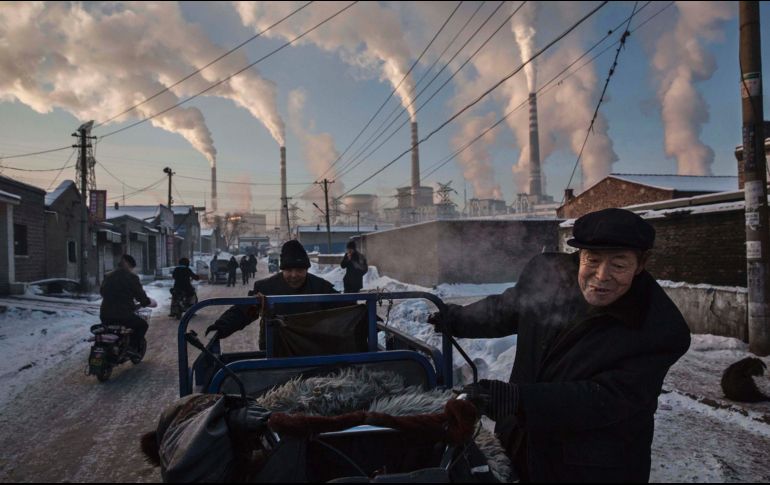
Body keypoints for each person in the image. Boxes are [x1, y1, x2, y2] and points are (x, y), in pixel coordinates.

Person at [431, 208, 691, 482]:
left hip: (589, 467)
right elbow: (507, 309)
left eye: (618, 265)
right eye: (593, 260)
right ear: (579, 255)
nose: (602, 275)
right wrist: (455, 319)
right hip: (520, 446)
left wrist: (518, 400)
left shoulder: (660, 329)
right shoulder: (550, 276)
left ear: (641, 264)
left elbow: (604, 399)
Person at [206, 240, 340, 349]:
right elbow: (244, 311)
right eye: (289, 270)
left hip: (312, 353)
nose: (294, 275)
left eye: (299, 270)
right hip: (275, 354)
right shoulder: (266, 288)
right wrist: (221, 327)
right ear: (282, 270)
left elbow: (345, 310)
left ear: (307, 269)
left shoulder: (321, 288)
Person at [100, 254, 157, 351]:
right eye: (131, 268)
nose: (131, 270)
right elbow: (140, 296)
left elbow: (102, 292)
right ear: (129, 265)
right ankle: (132, 348)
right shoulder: (131, 277)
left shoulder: (108, 276)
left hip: (105, 315)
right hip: (123, 315)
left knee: (109, 329)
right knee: (142, 325)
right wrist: (146, 302)